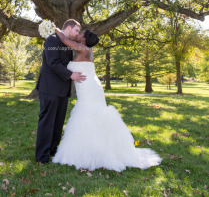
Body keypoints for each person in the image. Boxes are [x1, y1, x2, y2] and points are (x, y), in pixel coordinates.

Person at [52, 28, 162, 172]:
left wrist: (54, 28)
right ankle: (90, 149)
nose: (78, 35)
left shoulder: (84, 50)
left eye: (80, 34)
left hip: (89, 89)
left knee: (88, 115)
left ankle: (92, 154)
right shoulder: (83, 51)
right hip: (88, 87)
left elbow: (65, 40)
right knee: (90, 117)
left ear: (84, 40)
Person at [35, 19, 86, 164]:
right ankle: (42, 157)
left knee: (58, 123)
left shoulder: (65, 43)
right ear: (68, 28)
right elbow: (53, 63)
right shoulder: (51, 40)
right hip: (49, 88)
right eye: (76, 30)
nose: (77, 34)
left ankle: (52, 151)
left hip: (62, 90)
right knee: (47, 122)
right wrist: (71, 75)